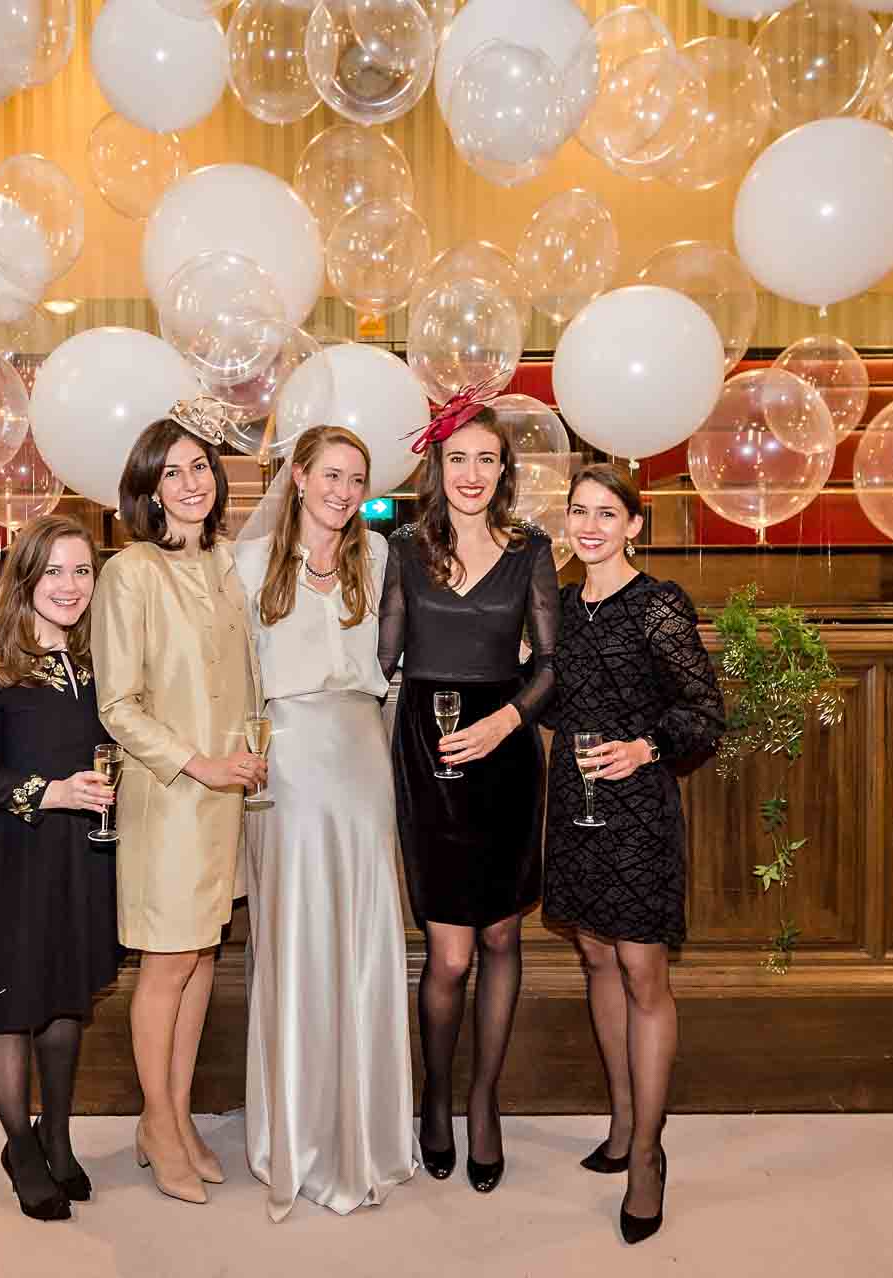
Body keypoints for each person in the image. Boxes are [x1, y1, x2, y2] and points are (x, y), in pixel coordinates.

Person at [233, 425, 417, 1220]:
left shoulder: (377, 559)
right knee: (299, 937)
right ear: (298, 477)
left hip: (362, 756)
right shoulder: (244, 565)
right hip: (289, 762)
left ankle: (370, 1130)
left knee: (368, 936)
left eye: (357, 479)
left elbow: (400, 661)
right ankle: (300, 1133)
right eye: (331, 476)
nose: (344, 492)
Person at [377, 395, 558, 1194]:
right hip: (427, 752)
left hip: (507, 755)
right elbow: (379, 658)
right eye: (459, 459)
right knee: (448, 954)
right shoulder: (403, 550)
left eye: (487, 459)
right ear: (437, 467)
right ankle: (437, 1097)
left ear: (503, 471)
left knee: (499, 943)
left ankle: (484, 1104)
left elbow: (553, 665)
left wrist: (507, 722)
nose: (473, 474)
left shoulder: (532, 550)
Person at [544, 464, 725, 1246]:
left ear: (634, 526)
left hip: (637, 804)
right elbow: (546, 697)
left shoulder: (658, 606)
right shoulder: (553, 605)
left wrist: (646, 747)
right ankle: (621, 1121)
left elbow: (705, 712)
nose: (590, 526)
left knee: (642, 969)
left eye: (607, 514)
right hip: (572, 802)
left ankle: (649, 1153)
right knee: (592, 953)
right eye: (580, 512)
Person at [92, 403, 265, 1206]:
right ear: (148, 490)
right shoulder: (130, 572)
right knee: (165, 964)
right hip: (171, 799)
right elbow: (118, 706)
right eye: (173, 472)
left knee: (201, 958)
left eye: (201, 467)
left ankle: (179, 1113)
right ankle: (156, 1123)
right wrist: (199, 763)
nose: (191, 482)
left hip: (228, 798)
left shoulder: (229, 560)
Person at [0, 514, 121, 1223]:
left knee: (65, 993)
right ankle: (20, 1145)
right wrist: (50, 794)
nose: (69, 585)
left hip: (82, 855)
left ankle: (58, 1131)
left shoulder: (96, 664)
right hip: (15, 854)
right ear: (25, 579)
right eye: (53, 570)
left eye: (81, 571)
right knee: (12, 1003)